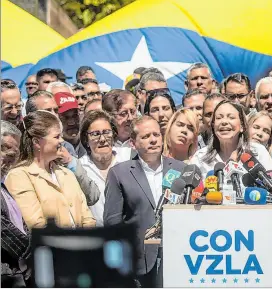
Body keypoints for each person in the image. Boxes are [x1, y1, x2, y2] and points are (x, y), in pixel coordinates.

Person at [104, 116, 186, 287]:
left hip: (177, 257)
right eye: (146, 136)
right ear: (133, 143)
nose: (153, 140)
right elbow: (113, 223)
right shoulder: (119, 174)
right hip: (138, 263)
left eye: (156, 134)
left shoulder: (182, 170)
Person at [5, 111, 96, 229]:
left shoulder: (66, 173)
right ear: (36, 142)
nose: (62, 141)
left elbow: (87, 216)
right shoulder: (19, 176)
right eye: (56, 136)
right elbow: (36, 224)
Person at [189, 100, 272, 176]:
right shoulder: (200, 158)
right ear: (213, 125)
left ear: (242, 126)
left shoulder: (258, 152)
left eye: (231, 117)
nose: (224, 122)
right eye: (219, 118)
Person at [79, 110, 130, 226]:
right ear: (86, 140)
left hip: (128, 234)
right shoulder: (80, 168)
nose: (102, 139)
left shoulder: (128, 158)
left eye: (107, 132)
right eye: (95, 134)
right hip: (95, 237)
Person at [1, 121, 31, 288]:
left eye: (15, 156)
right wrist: (34, 254)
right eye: (6, 151)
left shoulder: (3, 187)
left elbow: (19, 225)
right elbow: (4, 231)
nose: (10, 161)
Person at [53, 92, 87, 158]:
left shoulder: (91, 144)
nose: (72, 122)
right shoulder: (51, 153)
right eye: (64, 117)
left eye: (75, 115)